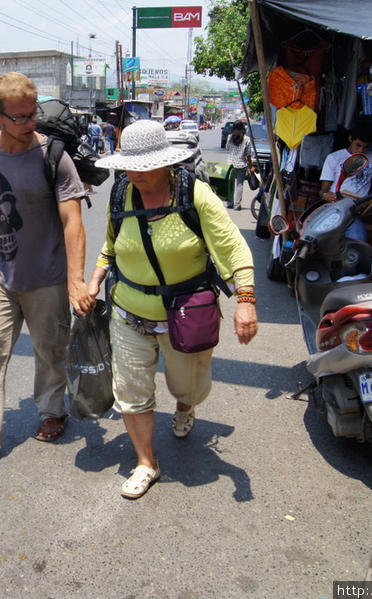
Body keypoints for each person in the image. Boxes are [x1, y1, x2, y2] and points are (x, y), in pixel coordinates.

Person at [86, 119, 258, 499]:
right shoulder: (121, 194)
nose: (135, 174)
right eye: (128, 166)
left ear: (165, 162)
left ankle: (185, 406)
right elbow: (111, 246)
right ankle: (146, 462)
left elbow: (232, 248)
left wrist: (245, 300)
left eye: (144, 167)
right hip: (128, 312)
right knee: (130, 391)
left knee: (189, 388)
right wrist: (95, 280)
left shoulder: (195, 195)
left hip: (185, 314)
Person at [0, 72, 93, 468]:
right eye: (22, 117)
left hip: (46, 274)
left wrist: (75, 279)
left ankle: (51, 410)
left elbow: (72, 221)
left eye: (34, 114)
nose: (32, 124)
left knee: (50, 351)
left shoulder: (54, 156)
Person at [318, 121, 372, 242]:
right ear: (350, 138)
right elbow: (323, 189)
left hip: (356, 211)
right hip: (334, 208)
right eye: (358, 145)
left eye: (366, 146)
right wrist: (325, 195)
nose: (361, 150)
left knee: (358, 243)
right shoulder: (334, 158)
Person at [225, 122, 254, 211]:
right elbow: (248, 155)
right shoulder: (247, 139)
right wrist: (251, 166)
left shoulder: (230, 137)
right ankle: (237, 205)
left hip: (230, 164)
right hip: (241, 164)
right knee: (239, 184)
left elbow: (227, 147)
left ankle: (230, 202)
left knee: (230, 183)